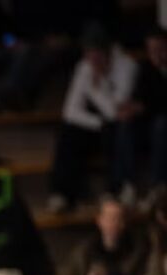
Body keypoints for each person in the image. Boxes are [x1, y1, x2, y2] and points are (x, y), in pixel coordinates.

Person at [47, 23, 138, 213]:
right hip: (98, 125)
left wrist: (95, 88)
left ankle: (115, 188)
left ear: (107, 51)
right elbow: (70, 111)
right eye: (89, 54)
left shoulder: (127, 66)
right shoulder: (84, 67)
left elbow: (114, 112)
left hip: (122, 126)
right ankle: (61, 194)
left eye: (97, 54)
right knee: (68, 132)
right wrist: (98, 123)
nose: (92, 60)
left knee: (115, 130)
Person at [117, 27, 167, 206]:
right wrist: (131, 108)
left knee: (161, 125)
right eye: (152, 50)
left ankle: (158, 185)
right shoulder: (145, 69)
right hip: (149, 123)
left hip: (161, 124)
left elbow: (155, 102)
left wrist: (144, 107)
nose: (156, 54)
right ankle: (129, 184)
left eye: (160, 49)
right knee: (125, 125)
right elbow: (140, 96)